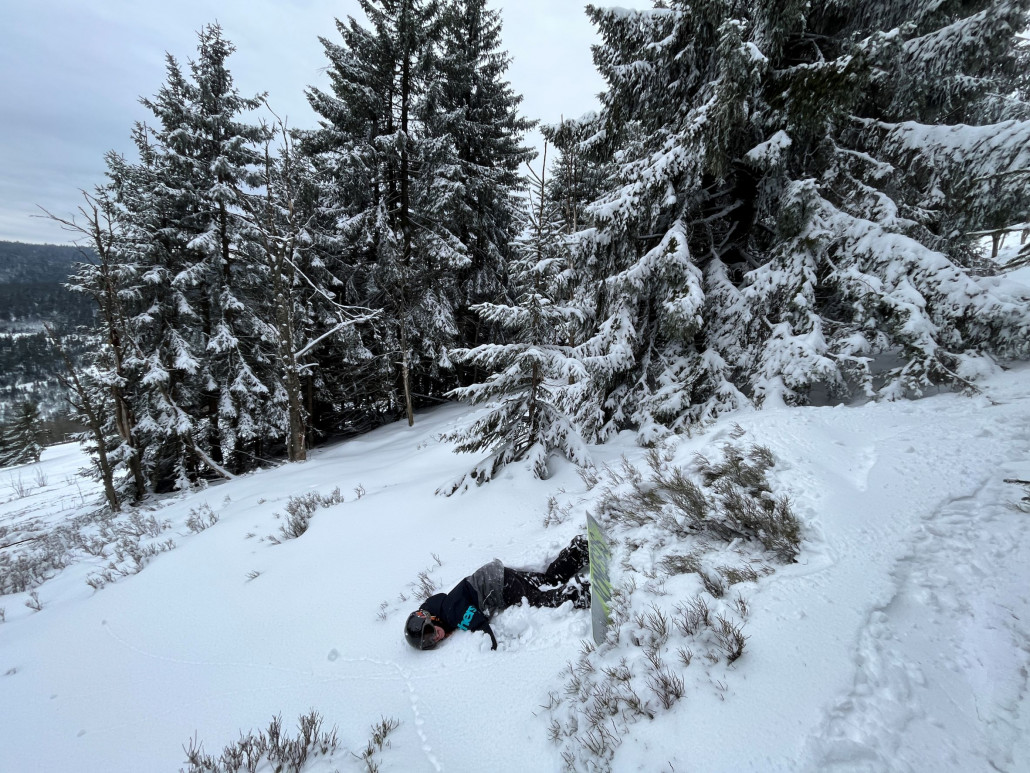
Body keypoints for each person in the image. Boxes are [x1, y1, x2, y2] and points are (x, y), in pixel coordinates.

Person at [404, 535, 590, 651]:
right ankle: (577, 552)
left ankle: (579, 593)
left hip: (498, 584)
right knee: (546, 580)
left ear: (431, 619)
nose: (434, 637)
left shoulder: (452, 613)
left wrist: (491, 644)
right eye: (429, 642)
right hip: (495, 574)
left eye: (429, 631)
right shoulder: (443, 606)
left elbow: (478, 622)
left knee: (538, 599)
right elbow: (432, 603)